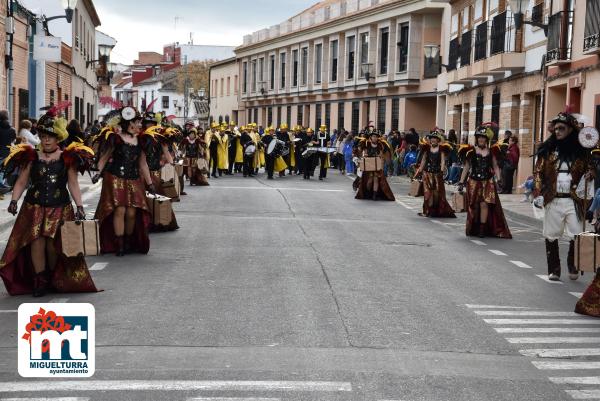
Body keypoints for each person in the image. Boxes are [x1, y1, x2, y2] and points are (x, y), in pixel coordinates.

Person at [0, 105, 97, 296]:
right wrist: (13, 200)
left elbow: (73, 183)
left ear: (57, 139)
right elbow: (21, 181)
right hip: (33, 206)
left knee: (53, 245)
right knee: (36, 241)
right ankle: (40, 281)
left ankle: (54, 276)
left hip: (59, 206)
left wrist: (79, 206)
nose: (46, 140)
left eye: (50, 137)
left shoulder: (67, 158)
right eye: (43, 136)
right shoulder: (31, 156)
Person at [533, 111, 590, 281]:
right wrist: (538, 193)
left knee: (576, 234)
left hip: (574, 199)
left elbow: (590, 168)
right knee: (551, 234)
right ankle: (554, 269)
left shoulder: (582, 152)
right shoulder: (548, 150)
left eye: (561, 128)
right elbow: (538, 173)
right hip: (553, 198)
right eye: (555, 128)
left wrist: (591, 173)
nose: (557, 131)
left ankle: (572, 265)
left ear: (570, 130)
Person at [93, 107, 154, 257]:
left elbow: (143, 164)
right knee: (120, 210)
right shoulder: (116, 138)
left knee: (132, 212)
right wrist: (97, 172)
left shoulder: (141, 141)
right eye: (137, 122)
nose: (140, 125)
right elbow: (105, 157)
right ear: (129, 123)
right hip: (115, 177)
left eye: (140, 122)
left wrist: (150, 183)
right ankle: (119, 244)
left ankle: (128, 241)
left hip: (134, 179)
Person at [458, 123, 512, 239]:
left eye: (483, 137)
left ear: (486, 139)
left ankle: (482, 229)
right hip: (473, 181)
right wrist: (461, 182)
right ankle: (474, 227)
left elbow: (495, 166)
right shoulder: (471, 151)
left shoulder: (491, 151)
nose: (481, 139)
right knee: (473, 205)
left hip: (487, 182)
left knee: (484, 204)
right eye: (479, 137)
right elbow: (466, 167)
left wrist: (499, 180)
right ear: (477, 139)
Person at [414, 131, 456, 218]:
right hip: (427, 174)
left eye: (435, 139)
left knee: (437, 193)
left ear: (438, 140)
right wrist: (419, 172)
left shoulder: (441, 149)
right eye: (431, 138)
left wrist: (441, 171)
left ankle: (436, 210)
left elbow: (443, 161)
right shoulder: (426, 148)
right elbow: (424, 160)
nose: (433, 140)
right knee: (428, 193)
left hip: (437, 174)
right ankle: (428, 211)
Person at [355, 132, 395, 201]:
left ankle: (374, 195)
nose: (375, 138)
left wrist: (382, 157)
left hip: (377, 165)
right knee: (369, 181)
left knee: (376, 179)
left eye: (376, 137)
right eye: (373, 136)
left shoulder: (380, 145)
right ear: (371, 137)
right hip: (369, 165)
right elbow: (360, 150)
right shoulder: (367, 144)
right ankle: (367, 193)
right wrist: (364, 155)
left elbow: (384, 154)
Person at [0, 110, 16, 189]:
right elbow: (13, 140)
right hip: (7, 151)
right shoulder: (12, 129)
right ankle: (1, 183)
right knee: (3, 168)